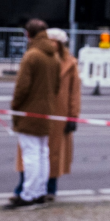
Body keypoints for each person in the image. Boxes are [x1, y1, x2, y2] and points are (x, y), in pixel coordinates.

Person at [8, 19, 60, 209]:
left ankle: (28, 195)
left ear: (28, 34)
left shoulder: (32, 55)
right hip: (47, 111)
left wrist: (15, 106)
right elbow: (56, 87)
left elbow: (22, 87)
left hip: (29, 111)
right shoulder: (53, 56)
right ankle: (40, 192)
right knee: (42, 153)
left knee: (30, 155)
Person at [45, 28, 80, 199]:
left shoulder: (70, 63)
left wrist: (73, 116)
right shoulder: (39, 59)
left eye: (55, 41)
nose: (52, 44)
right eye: (49, 40)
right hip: (40, 112)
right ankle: (29, 188)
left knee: (55, 153)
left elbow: (75, 92)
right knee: (33, 154)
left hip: (60, 114)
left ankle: (50, 189)